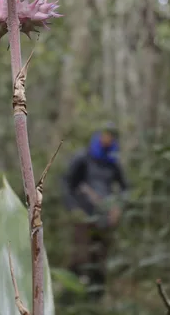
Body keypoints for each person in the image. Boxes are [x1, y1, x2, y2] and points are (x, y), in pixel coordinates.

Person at [61, 123, 128, 301]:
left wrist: (117, 207)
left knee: (99, 259)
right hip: (84, 215)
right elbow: (68, 183)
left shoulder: (113, 162)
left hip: (105, 218)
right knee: (80, 257)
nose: (107, 139)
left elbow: (124, 187)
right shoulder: (83, 158)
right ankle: (68, 298)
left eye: (111, 136)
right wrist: (73, 208)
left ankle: (95, 300)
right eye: (105, 135)